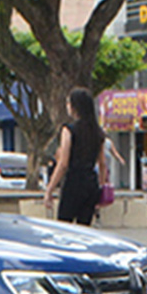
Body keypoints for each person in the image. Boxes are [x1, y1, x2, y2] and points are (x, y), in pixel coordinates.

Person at [44, 88, 109, 226]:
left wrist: (50, 189)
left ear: (75, 107)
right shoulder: (98, 133)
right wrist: (101, 187)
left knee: (64, 228)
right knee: (84, 229)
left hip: (73, 183)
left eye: (68, 103)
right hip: (91, 184)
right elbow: (102, 163)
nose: (67, 106)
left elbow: (63, 164)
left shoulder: (68, 130)